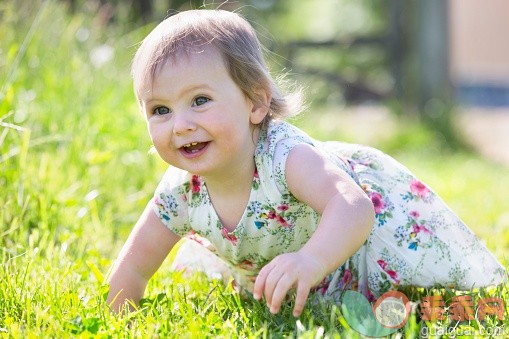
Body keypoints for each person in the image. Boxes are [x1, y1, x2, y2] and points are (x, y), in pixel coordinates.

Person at [106, 9, 506, 317]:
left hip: (355, 260)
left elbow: (352, 207)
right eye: (160, 109)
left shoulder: (285, 157)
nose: (181, 125)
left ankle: (477, 309)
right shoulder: (180, 190)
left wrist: (311, 260)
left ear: (256, 102)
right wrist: (115, 319)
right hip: (293, 283)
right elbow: (134, 269)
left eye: (199, 101)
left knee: (399, 311)